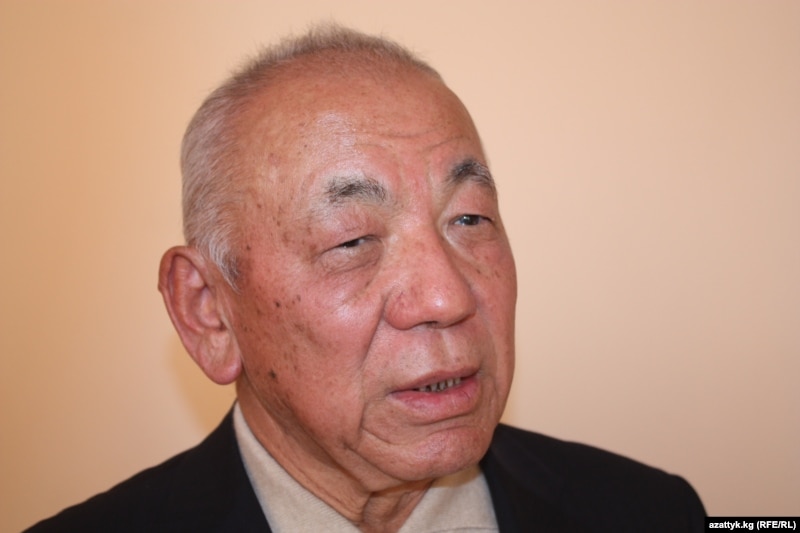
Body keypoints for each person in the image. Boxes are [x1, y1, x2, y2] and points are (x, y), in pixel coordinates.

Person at [26, 25, 705, 532]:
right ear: (210, 312)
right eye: (352, 240)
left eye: (469, 219)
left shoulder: (651, 512)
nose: (446, 296)